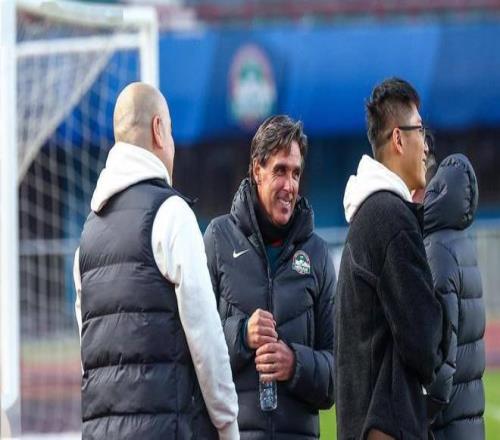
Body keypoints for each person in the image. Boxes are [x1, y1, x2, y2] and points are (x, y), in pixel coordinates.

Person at [73, 82, 239, 439]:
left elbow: (88, 355)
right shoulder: (172, 213)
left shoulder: (87, 235)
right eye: (172, 131)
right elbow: (206, 337)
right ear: (158, 129)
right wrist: (228, 425)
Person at [203, 115, 335, 439]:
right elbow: (194, 346)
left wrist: (295, 364)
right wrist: (242, 334)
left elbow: (338, 375)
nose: (289, 186)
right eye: (280, 171)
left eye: (296, 173)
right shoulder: (218, 239)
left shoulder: (317, 254)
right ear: (256, 170)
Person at [335, 77, 451, 440]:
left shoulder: (372, 212)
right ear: (399, 139)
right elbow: (425, 345)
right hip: (385, 428)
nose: (427, 145)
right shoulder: (391, 218)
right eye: (421, 130)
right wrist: (447, 312)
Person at [424, 154, 485, 439]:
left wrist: (424, 412)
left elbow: (443, 350)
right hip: (469, 420)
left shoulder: (438, 249)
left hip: (446, 424)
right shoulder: (463, 245)